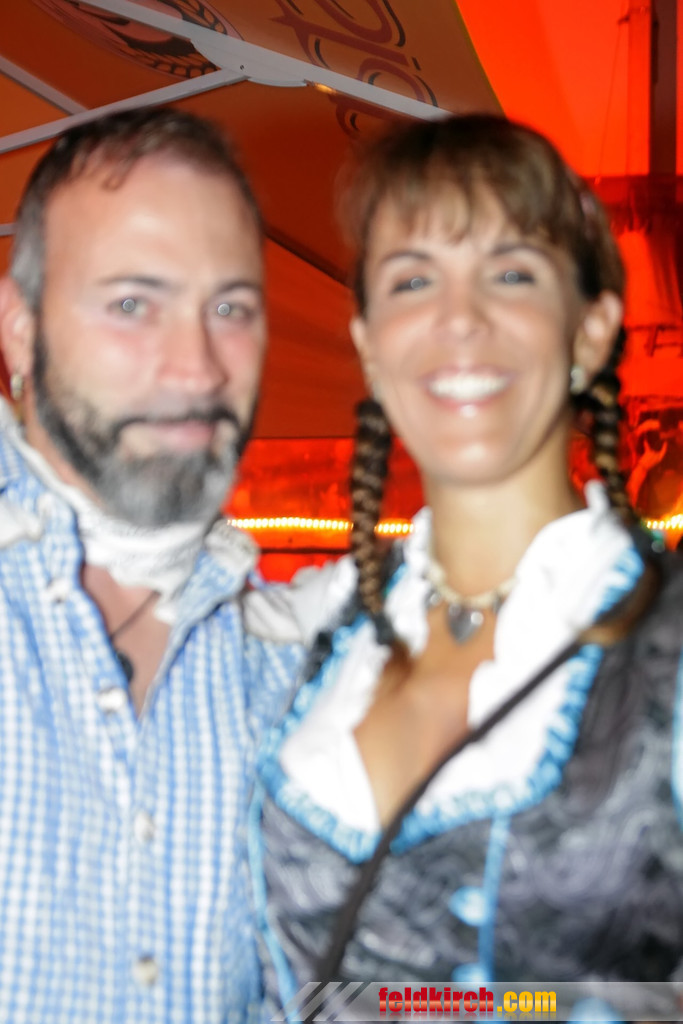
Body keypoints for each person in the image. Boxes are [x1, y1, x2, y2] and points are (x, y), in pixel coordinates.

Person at [249, 114, 683, 1019]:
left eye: (509, 273)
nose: (458, 320)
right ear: (370, 345)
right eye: (412, 280)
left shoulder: (666, 646)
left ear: (591, 329)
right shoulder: (315, 637)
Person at [0, 106, 303, 1023]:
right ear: (19, 330)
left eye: (230, 308)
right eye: (132, 303)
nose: (196, 367)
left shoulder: (294, 663)